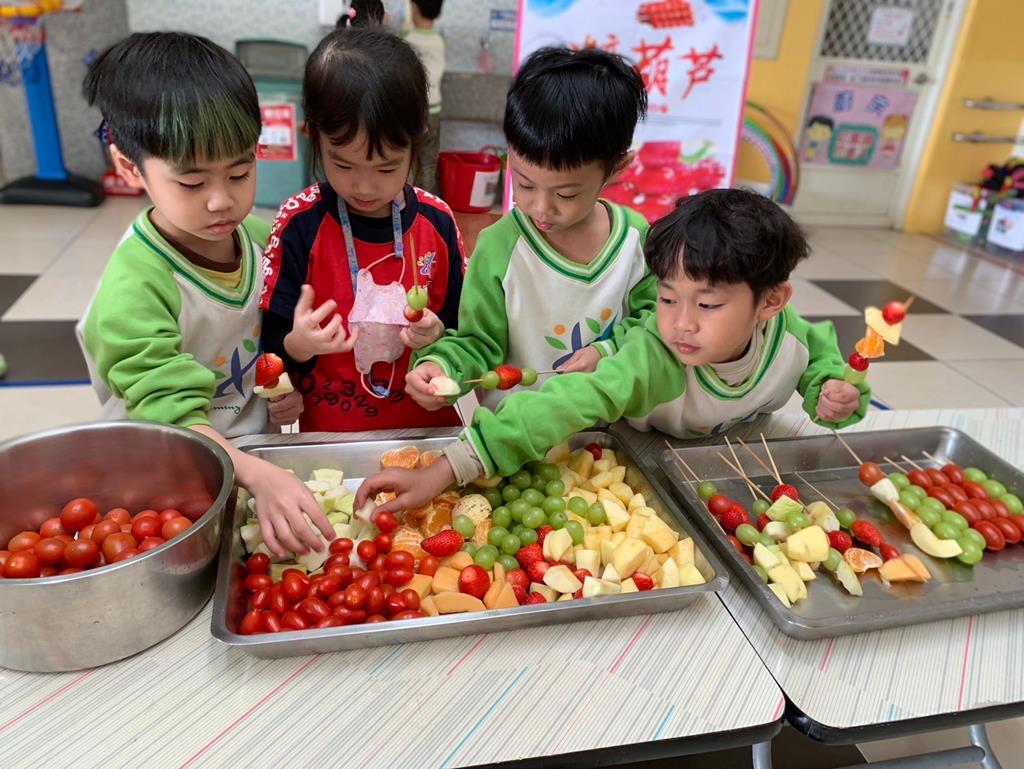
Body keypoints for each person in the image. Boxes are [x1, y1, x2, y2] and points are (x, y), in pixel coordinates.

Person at [358, 189, 869, 511]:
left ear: (771, 302)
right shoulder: (657, 354)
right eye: (667, 298)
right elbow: (565, 402)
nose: (681, 323)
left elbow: (825, 367)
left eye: (708, 304)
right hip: (647, 457)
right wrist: (446, 470)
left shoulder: (792, 339)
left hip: (736, 463)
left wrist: (835, 394)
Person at [77, 32, 332, 557]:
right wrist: (255, 473)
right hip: (162, 472)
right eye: (192, 184)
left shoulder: (263, 241)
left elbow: (267, 345)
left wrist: (282, 388)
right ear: (129, 167)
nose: (221, 201)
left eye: (240, 173)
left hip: (249, 458)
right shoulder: (136, 284)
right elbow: (169, 414)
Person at [406, 46, 655, 414]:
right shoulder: (499, 248)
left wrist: (608, 350)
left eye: (566, 194)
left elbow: (655, 324)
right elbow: (478, 343)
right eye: (524, 184)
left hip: (608, 433)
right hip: (515, 434)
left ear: (617, 168)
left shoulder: (636, 241)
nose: (541, 207)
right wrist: (442, 367)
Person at [260, 27, 465, 432]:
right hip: (330, 438)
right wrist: (297, 347)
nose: (365, 187)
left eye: (387, 168)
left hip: (427, 429)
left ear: (416, 143)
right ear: (313, 135)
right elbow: (270, 342)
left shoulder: (437, 222)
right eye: (344, 165)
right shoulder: (298, 222)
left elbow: (467, 330)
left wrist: (441, 337)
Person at [405, 0, 445, 194]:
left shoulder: (407, 40)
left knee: (407, 161)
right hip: (433, 109)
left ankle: (409, 201)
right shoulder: (439, 41)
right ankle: (427, 201)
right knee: (429, 162)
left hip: (413, 110)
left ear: (413, 7)